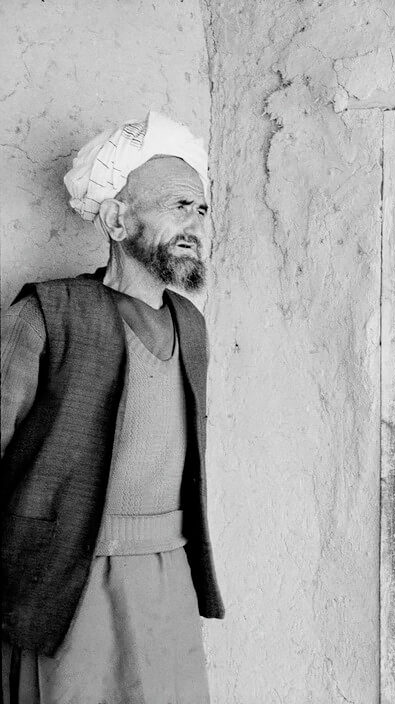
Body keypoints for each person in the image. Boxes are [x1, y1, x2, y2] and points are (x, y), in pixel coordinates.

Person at [1, 111, 224, 703]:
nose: (195, 223)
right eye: (177, 206)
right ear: (117, 218)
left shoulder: (192, 326)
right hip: (69, 578)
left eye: (201, 210)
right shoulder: (46, 315)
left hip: (170, 577)